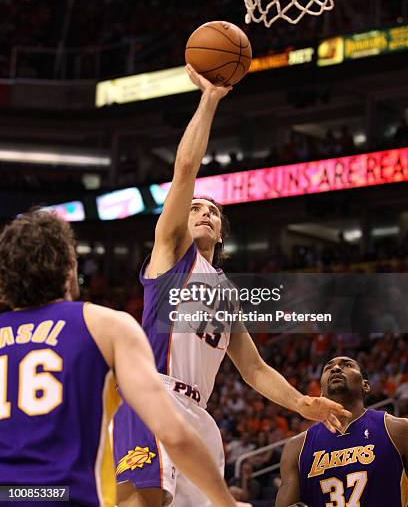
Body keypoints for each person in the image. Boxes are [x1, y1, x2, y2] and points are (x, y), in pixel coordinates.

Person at [113, 65, 351, 507]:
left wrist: (303, 403)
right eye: (196, 207)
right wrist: (209, 98)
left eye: (214, 212)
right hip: (155, 398)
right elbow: (185, 169)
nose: (204, 212)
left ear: (221, 232)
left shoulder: (226, 293)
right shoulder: (170, 257)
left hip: (199, 417)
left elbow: (254, 369)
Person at [0, 211, 240, 507]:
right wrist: (227, 502)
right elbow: (172, 433)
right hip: (68, 495)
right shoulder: (103, 324)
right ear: (70, 269)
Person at [276, 356, 408, 506]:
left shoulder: (397, 430)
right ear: (321, 392)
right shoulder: (296, 447)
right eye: (328, 368)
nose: (336, 368)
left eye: (347, 365)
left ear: (365, 385)